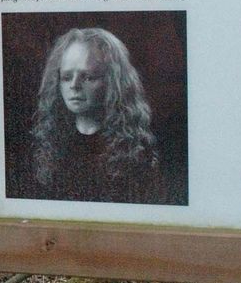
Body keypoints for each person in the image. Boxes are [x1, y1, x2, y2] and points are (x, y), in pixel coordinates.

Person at [28, 27, 163, 203]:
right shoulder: (51, 147)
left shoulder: (135, 152)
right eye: (67, 77)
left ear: (113, 83)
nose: (74, 86)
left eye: (88, 77)